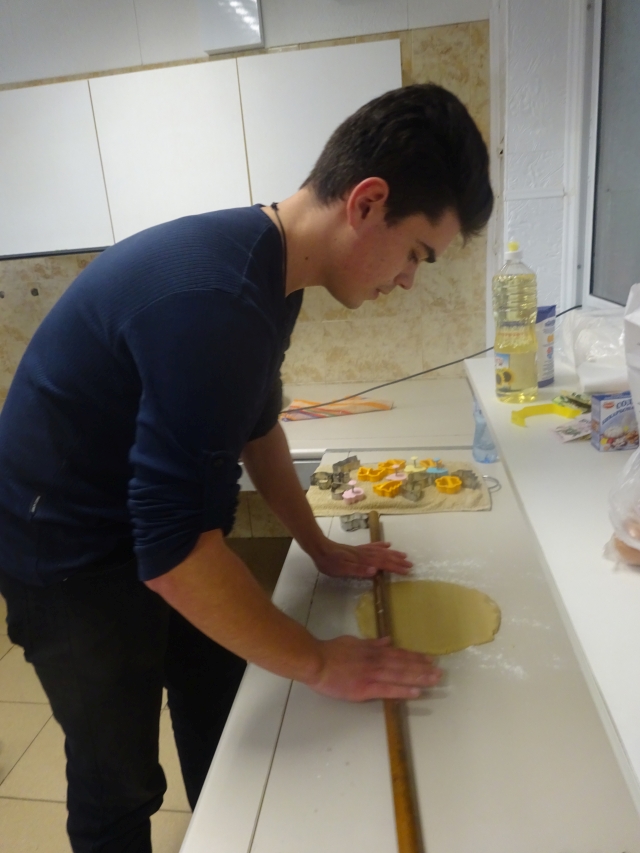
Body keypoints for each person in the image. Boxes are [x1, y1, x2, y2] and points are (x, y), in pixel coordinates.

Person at [0, 83, 493, 852]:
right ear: (367, 202)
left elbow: (259, 430)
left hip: (145, 532)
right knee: (118, 781)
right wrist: (321, 661)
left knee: (218, 704)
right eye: (416, 254)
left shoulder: (272, 272)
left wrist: (320, 545)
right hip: (65, 553)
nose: (408, 279)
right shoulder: (220, 297)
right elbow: (174, 556)